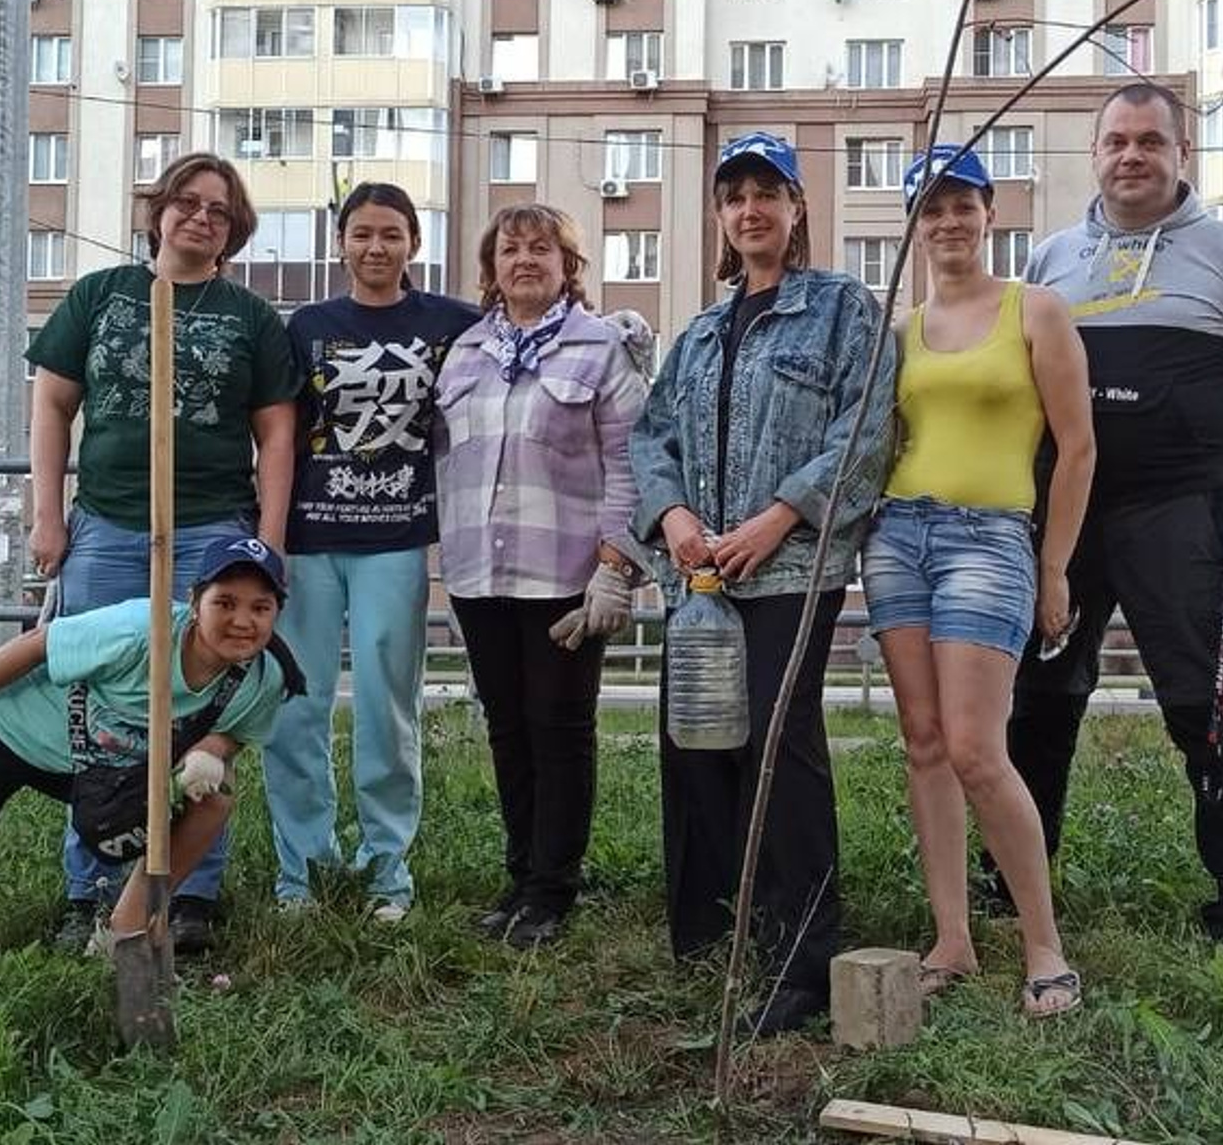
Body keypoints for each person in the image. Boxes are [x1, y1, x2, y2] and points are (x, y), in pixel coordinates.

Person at [629, 132, 896, 1037]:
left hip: (788, 568)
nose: (751, 211)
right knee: (697, 742)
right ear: (720, 216)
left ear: (797, 210)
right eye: (734, 196)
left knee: (780, 748)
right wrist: (672, 520)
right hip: (699, 579)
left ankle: (801, 953)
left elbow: (864, 431)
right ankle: (710, 932)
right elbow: (651, 435)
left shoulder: (840, 311)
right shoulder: (701, 332)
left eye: (767, 194)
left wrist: (779, 516)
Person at [26, 151, 302, 952]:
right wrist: (49, 516)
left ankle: (188, 893)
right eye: (188, 201)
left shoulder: (249, 316)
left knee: (203, 712)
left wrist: (269, 545)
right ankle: (90, 885)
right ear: (160, 210)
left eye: (219, 210)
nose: (201, 217)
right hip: (109, 528)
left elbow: (276, 434)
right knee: (97, 712)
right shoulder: (101, 297)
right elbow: (52, 404)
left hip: (212, 534)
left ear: (234, 229)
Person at [861, 146, 1094, 1017]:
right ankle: (952, 939)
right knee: (923, 743)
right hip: (897, 537)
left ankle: (1043, 944)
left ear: (990, 214)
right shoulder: (903, 330)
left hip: (989, 541)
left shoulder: (1035, 310)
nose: (949, 222)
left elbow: (1077, 447)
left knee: (975, 747)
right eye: (932, 209)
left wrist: (1054, 565)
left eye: (964, 205)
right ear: (915, 226)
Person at [1004, 83, 1223, 941]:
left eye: (1151, 142)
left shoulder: (1217, 248)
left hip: (1183, 508)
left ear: (1182, 155)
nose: (1132, 155)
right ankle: (1011, 879)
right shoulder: (1052, 257)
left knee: (1199, 701)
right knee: (1040, 694)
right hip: (1067, 509)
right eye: (1116, 141)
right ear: (1093, 153)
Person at [434, 204, 649, 949]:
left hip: (565, 576)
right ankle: (519, 874)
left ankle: (553, 890)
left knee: (559, 730)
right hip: (479, 574)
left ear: (568, 267)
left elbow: (631, 464)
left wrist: (616, 565)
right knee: (505, 727)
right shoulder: (462, 354)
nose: (524, 259)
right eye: (510, 249)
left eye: (541, 249)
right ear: (490, 267)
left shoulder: (603, 348)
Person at [263, 182, 479, 919]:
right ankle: (304, 873)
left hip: (396, 540)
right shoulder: (308, 326)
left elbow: (518, 351)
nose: (376, 247)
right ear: (341, 242)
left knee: (390, 708)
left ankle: (386, 872)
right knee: (296, 705)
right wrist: (268, 537)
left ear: (414, 243)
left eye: (391, 233)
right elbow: (280, 432)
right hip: (308, 541)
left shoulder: (453, 323)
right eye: (361, 233)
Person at [0, 537, 295, 949]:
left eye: (260, 608)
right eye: (225, 603)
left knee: (217, 796)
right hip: (15, 728)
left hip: (107, 768)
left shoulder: (263, 679)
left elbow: (236, 732)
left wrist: (214, 750)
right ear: (195, 602)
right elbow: (35, 645)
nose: (242, 620)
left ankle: (125, 930)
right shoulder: (141, 630)